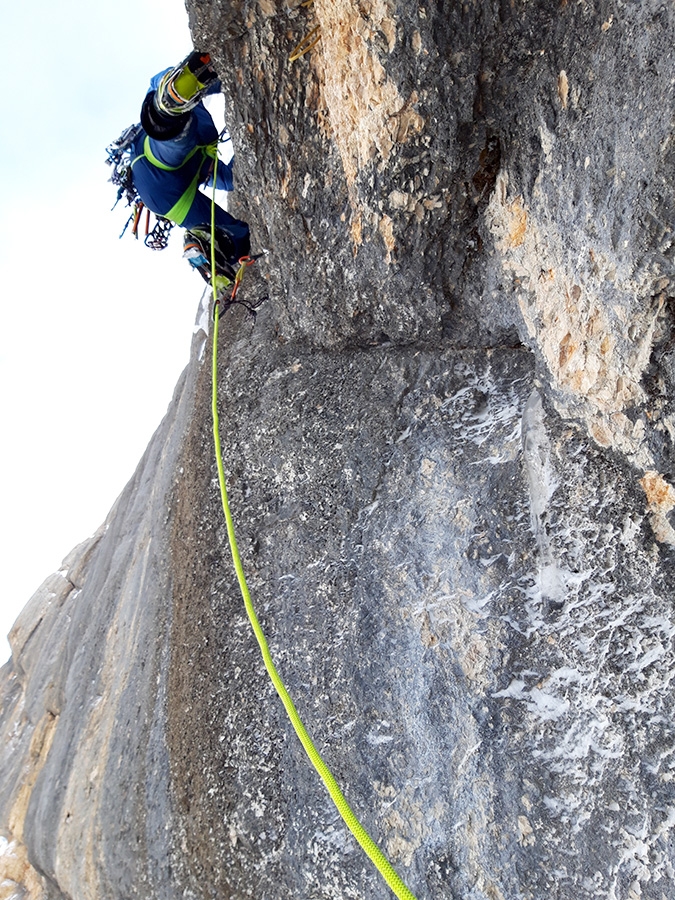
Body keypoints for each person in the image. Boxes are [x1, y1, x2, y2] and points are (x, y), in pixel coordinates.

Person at [108, 51, 250, 279]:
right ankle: (166, 110)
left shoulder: (194, 119)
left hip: (165, 190)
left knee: (236, 233)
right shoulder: (196, 119)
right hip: (158, 171)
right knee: (176, 139)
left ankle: (210, 252)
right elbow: (156, 82)